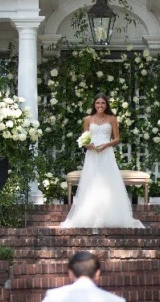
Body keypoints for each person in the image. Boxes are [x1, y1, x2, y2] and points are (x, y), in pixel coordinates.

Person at [60, 93, 144, 228]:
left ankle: (109, 216)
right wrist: (89, 146)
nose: (100, 105)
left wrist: (106, 145)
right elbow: (85, 138)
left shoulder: (112, 118)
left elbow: (117, 138)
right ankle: (90, 216)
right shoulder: (88, 119)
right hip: (92, 155)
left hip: (106, 153)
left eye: (103, 103)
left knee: (108, 182)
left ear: (106, 105)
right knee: (91, 182)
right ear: (94, 104)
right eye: (98, 103)